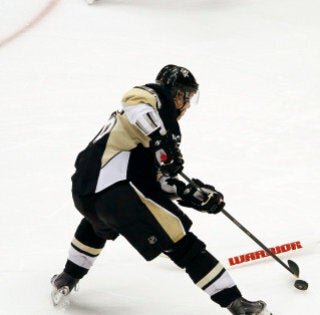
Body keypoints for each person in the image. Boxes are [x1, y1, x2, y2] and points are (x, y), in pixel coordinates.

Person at [51, 65, 271, 315]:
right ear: (176, 94)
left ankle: (67, 278)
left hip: (87, 191)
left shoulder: (156, 129)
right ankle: (236, 302)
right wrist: (161, 140)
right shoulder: (149, 99)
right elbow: (135, 103)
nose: (187, 105)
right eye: (187, 97)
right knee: (182, 241)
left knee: (97, 225)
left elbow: (159, 183)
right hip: (116, 192)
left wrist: (195, 195)